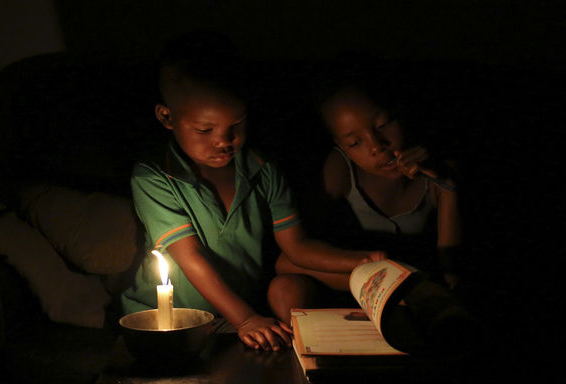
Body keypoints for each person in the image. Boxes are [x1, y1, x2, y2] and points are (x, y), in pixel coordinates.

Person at [120, 33, 384, 352]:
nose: (224, 140)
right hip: (167, 322)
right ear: (167, 117)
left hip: (240, 317)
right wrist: (244, 319)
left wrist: (365, 260)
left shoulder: (263, 170)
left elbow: (297, 247)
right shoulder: (155, 177)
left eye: (237, 125)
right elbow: (189, 257)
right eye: (205, 130)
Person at [276, 72, 462, 292]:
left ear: (400, 114)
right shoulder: (341, 169)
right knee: (285, 278)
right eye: (355, 142)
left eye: (383, 124)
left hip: (423, 279)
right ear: (341, 146)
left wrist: (448, 186)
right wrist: (367, 265)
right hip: (360, 278)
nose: (376, 145)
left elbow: (451, 269)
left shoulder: (438, 171)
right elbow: (297, 254)